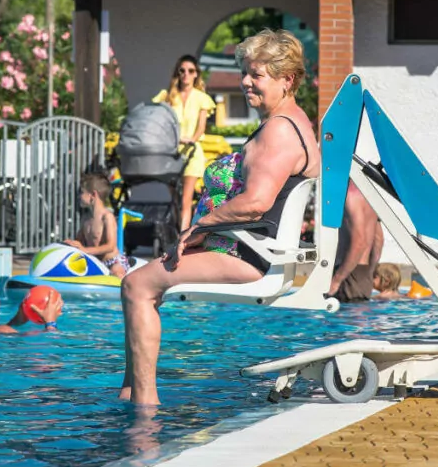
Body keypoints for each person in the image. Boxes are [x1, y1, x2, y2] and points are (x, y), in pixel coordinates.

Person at [119, 29, 321, 405]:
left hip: (247, 254)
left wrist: (199, 227)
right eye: (245, 72)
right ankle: (130, 393)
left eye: (256, 75)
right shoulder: (292, 122)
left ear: (287, 79)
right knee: (137, 283)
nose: (245, 81)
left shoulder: (279, 132)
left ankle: (144, 407)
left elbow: (256, 202)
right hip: (248, 247)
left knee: (136, 287)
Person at [152, 54, 218, 230]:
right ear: (178, 73)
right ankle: (175, 231)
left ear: (196, 74)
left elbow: (201, 127)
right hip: (171, 151)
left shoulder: (201, 97)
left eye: (190, 71)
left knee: (185, 199)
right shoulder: (167, 96)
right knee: (173, 198)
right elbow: (158, 119)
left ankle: (182, 236)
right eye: (182, 71)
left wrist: (191, 140)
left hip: (191, 151)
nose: (186, 74)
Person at [328, 183, 383, 302]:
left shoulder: (349, 195)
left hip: (346, 274)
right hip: (362, 274)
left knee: (345, 319)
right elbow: (379, 240)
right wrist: (369, 271)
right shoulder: (370, 195)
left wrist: (337, 279)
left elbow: (359, 241)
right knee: (359, 317)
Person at [65, 173, 128, 278]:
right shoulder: (85, 218)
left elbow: (110, 246)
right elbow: (79, 241)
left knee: (117, 271)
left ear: (93, 195)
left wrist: (86, 250)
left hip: (112, 261)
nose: (79, 196)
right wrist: (71, 243)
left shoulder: (107, 217)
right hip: (96, 262)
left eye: (82, 192)